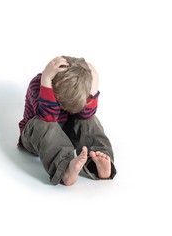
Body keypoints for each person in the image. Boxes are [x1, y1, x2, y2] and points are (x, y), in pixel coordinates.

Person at [18, 56, 117, 186]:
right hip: (37, 139)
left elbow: (86, 114)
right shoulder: (38, 84)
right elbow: (48, 117)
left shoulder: (79, 89)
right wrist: (46, 79)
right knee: (42, 123)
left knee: (88, 120)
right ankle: (65, 169)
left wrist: (94, 82)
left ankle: (97, 162)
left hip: (65, 136)